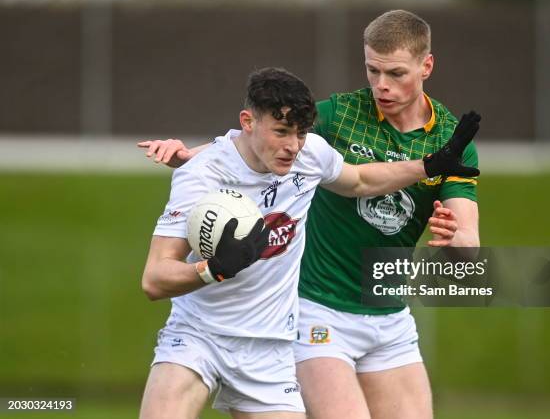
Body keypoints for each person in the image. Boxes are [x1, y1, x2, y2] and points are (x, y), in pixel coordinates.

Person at [138, 65, 480, 419]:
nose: (292, 146)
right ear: (247, 121)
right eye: (282, 132)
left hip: (270, 351)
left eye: (300, 133)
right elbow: (154, 279)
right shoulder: (201, 175)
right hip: (198, 337)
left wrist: (430, 165)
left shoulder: (309, 154)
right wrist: (214, 268)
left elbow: (361, 179)